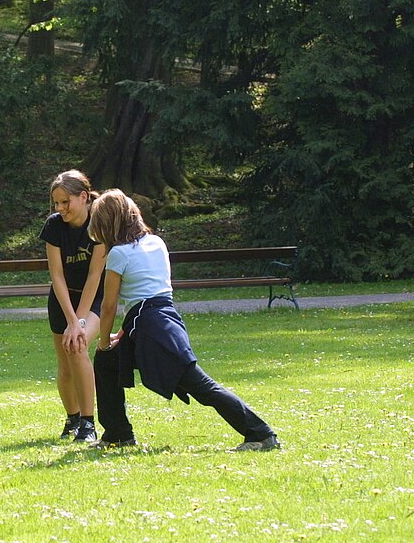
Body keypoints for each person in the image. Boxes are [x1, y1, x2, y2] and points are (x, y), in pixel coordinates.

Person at [88, 189, 281, 452]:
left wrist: (103, 341)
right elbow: (146, 297)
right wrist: (119, 337)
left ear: (108, 224)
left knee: (201, 386)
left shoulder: (118, 254)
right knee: (106, 362)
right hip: (161, 320)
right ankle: (117, 433)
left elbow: (109, 306)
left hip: (151, 329)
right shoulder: (156, 243)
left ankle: (261, 433)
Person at [39, 169, 107, 444]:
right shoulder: (54, 226)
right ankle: (73, 417)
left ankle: (89, 424)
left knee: (78, 347)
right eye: (56, 203)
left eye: (65, 202)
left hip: (93, 299)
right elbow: (56, 275)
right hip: (62, 298)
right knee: (66, 363)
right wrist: (69, 318)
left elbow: (94, 275)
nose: (60, 208)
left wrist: (78, 324)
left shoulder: (99, 224)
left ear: (84, 197)